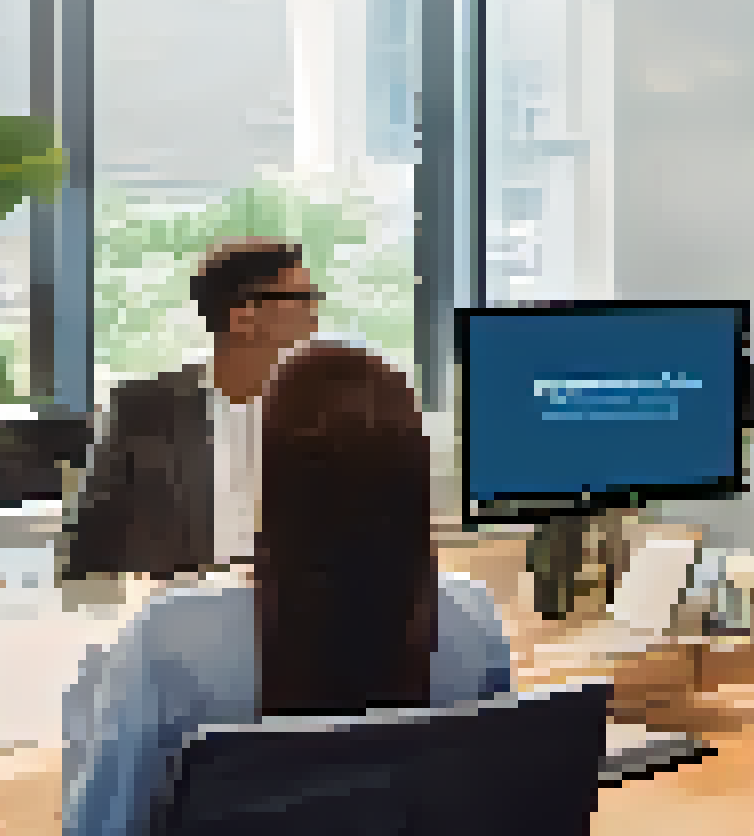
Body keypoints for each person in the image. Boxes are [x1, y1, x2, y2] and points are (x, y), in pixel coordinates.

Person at [63, 342, 513, 836]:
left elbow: (101, 827)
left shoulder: (169, 645)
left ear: (272, 476)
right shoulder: (473, 621)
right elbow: (486, 807)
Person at [65, 241, 323, 579]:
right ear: (243, 316)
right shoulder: (145, 408)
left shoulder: (327, 407)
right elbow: (95, 542)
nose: (315, 310)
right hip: (179, 612)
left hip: (298, 613)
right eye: (301, 298)